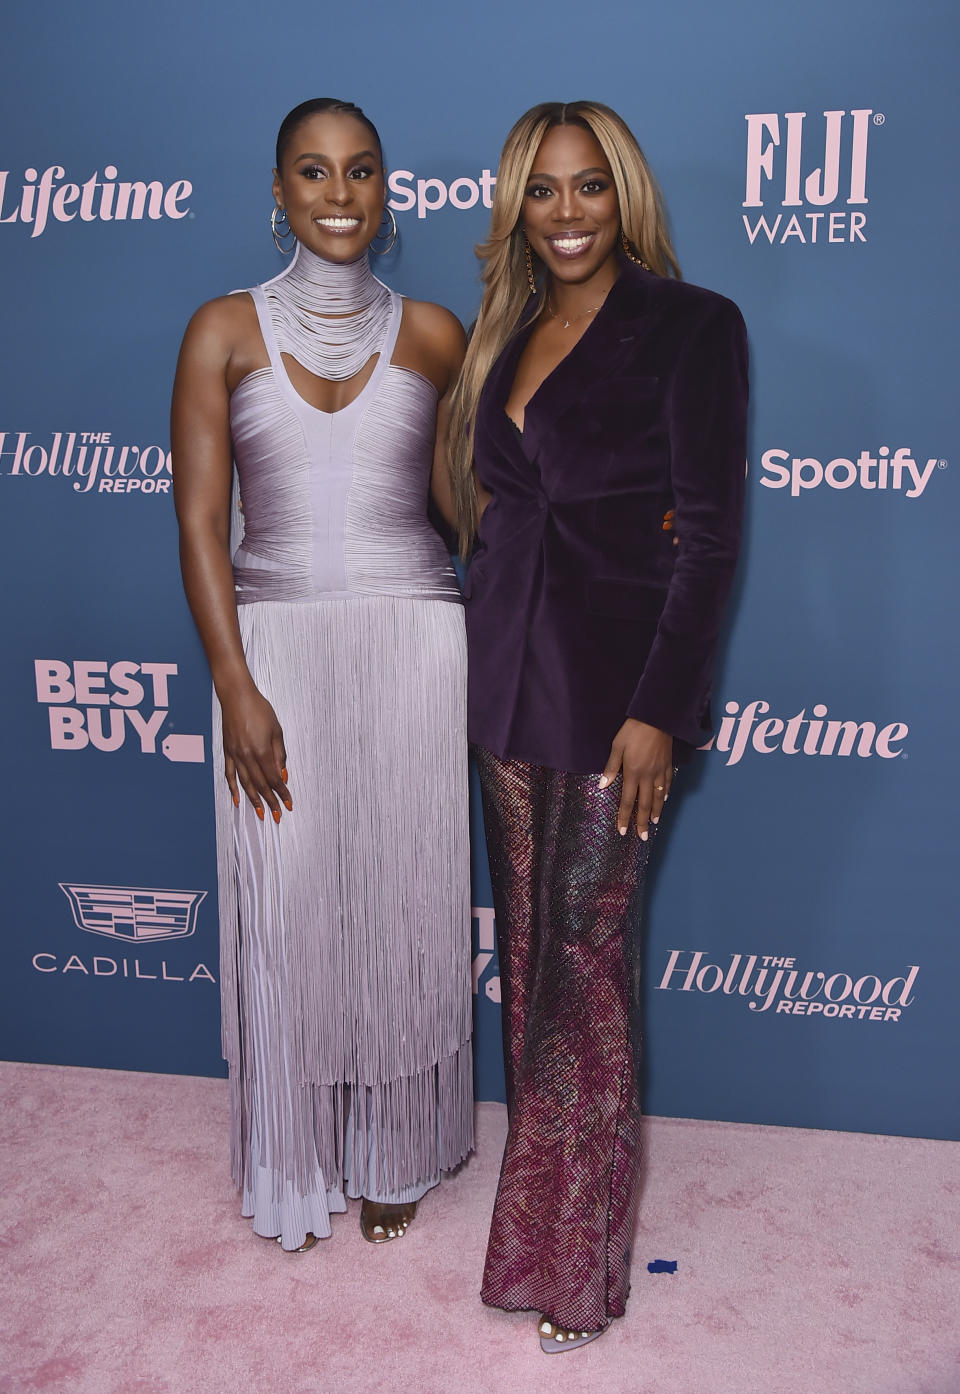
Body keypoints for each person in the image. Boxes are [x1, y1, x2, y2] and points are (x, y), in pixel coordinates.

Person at [447, 100, 748, 1351]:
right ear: (515, 203)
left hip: (614, 696)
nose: (567, 214)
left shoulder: (691, 325)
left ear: (624, 194)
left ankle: (581, 1265)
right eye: (542, 191)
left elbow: (712, 539)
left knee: (589, 968)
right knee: (531, 964)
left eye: (589, 188)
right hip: (502, 685)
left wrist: (659, 715)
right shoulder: (502, 328)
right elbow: (489, 508)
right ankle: (529, 1238)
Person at [171, 97, 473, 1252]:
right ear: (280, 191)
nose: (339, 193)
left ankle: (396, 1146)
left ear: (386, 194)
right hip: (277, 649)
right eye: (314, 171)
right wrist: (236, 682)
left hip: (414, 646)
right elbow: (203, 524)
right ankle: (296, 1150)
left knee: (399, 902)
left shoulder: (441, 334)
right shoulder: (221, 331)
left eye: (360, 172)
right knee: (292, 904)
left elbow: (467, 515)